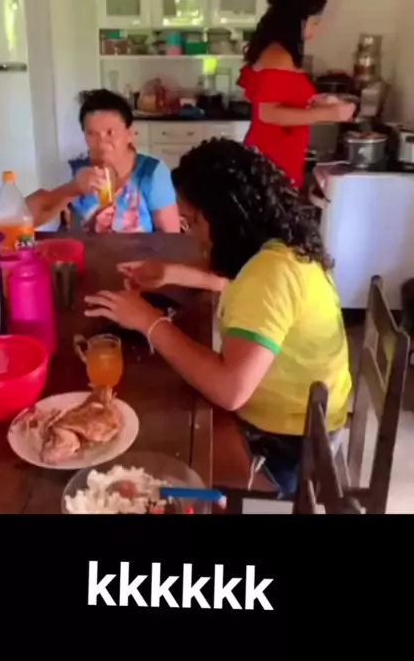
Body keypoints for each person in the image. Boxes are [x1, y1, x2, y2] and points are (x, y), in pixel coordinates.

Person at [84, 138, 352, 497]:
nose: (193, 236)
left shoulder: (271, 274)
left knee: (150, 456)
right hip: (303, 425)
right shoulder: (275, 247)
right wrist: (172, 273)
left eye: (193, 222)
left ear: (225, 217)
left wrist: (149, 321)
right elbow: (234, 282)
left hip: (287, 450)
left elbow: (229, 391)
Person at [238, 0, 356, 188]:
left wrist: (311, 101)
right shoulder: (277, 57)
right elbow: (267, 113)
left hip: (272, 156)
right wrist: (330, 114)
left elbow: (255, 96)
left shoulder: (274, 51)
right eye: (315, 22)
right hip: (273, 159)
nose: (317, 28)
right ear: (297, 19)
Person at [26, 89, 180, 234]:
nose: (101, 142)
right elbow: (22, 218)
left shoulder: (151, 173)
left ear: (129, 133)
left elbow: (171, 239)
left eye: (110, 132)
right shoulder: (73, 171)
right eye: (92, 133)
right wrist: (72, 189)